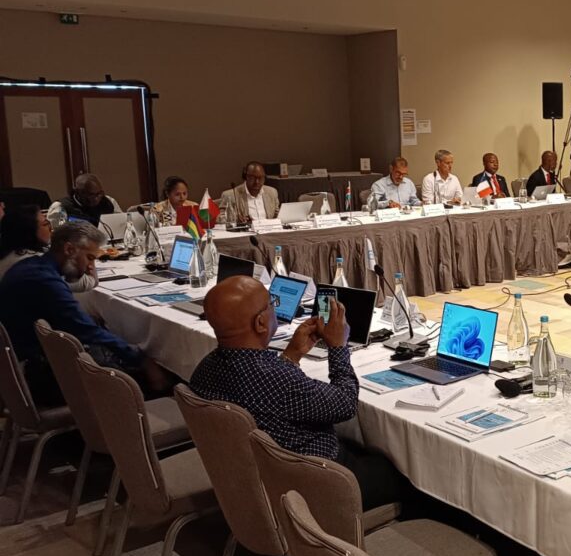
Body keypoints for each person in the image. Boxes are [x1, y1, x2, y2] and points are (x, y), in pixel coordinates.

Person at [190, 276, 405, 509]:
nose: (275, 307)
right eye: (272, 303)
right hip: (314, 483)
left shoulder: (205, 369)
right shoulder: (277, 381)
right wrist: (338, 347)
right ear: (260, 323)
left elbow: (267, 395)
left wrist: (292, 354)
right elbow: (346, 403)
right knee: (401, 471)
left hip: (259, 476)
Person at [0, 222, 171, 404]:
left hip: (20, 368)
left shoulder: (30, 267)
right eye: (89, 258)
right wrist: (143, 360)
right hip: (35, 377)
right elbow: (86, 330)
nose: (90, 267)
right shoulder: (45, 282)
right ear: (69, 249)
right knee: (157, 380)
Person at [48, 173, 120, 226]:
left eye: (100, 193)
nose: (97, 198)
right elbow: (57, 235)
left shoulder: (108, 201)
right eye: (91, 195)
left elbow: (120, 224)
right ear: (78, 193)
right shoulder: (60, 207)